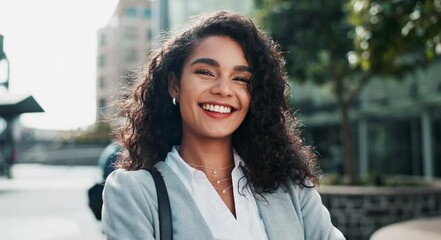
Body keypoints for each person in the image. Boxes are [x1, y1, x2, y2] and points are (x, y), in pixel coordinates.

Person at [102, 11, 345, 239]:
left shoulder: (290, 188)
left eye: (240, 79)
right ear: (174, 84)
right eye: (206, 72)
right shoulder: (134, 193)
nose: (223, 90)